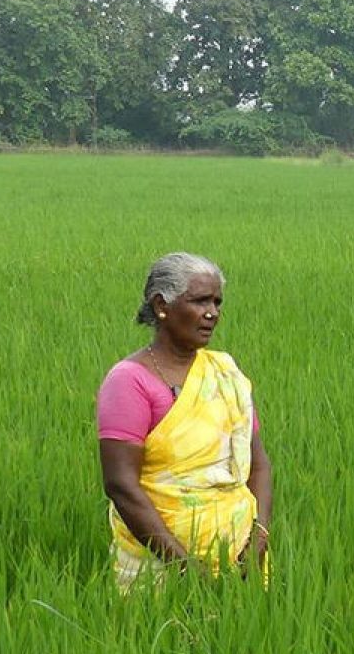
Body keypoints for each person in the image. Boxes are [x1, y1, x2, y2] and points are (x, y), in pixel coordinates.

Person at [96, 252, 272, 591]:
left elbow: (259, 465)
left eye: (218, 302)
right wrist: (185, 567)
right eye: (200, 301)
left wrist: (258, 541)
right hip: (160, 564)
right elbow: (121, 485)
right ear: (162, 305)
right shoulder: (129, 381)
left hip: (242, 559)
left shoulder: (225, 373)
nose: (212, 313)